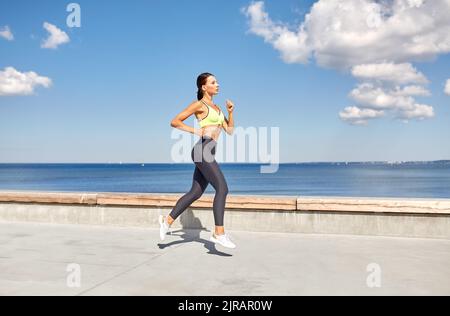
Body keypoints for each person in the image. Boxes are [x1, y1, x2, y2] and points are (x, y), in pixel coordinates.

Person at [159, 72, 236, 249]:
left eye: (217, 82)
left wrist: (231, 113)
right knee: (222, 188)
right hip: (202, 150)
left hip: (209, 151)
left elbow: (229, 130)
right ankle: (219, 232)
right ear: (204, 87)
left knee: (195, 192)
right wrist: (196, 131)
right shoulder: (199, 105)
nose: (217, 85)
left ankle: (167, 220)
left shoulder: (217, 108)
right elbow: (175, 121)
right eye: (213, 82)